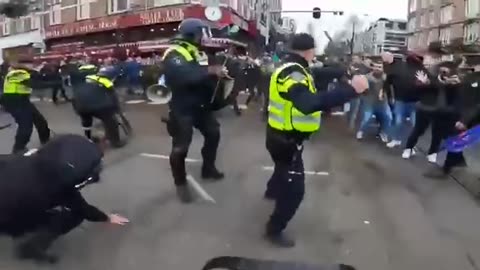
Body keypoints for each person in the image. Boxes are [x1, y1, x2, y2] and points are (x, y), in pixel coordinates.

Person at [264, 33, 368, 247]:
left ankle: (272, 190)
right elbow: (307, 103)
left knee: (281, 167)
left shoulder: (291, 67)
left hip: (280, 136)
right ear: (310, 51)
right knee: (295, 191)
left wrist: (345, 71)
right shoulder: (293, 73)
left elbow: (319, 72)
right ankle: (274, 229)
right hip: (286, 139)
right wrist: (351, 90)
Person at [0, 134, 129, 263]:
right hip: (7, 220)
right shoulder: (62, 187)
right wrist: (107, 217)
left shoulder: (20, 159)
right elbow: (84, 210)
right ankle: (32, 246)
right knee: (74, 216)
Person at [162, 18, 229, 203]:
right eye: (200, 34)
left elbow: (202, 73)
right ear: (192, 34)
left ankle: (208, 168)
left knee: (213, 133)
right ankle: (181, 184)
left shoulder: (196, 52)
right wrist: (210, 71)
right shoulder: (173, 52)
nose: (203, 38)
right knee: (181, 147)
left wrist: (218, 78)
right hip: (182, 107)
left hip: (200, 105)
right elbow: (184, 77)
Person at [402, 61, 461, 162]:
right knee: (418, 130)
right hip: (425, 109)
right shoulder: (430, 79)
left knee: (437, 134)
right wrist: (423, 83)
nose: (445, 73)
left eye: (447, 71)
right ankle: (408, 148)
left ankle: (432, 153)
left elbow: (457, 97)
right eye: (443, 71)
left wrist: (457, 85)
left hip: (441, 112)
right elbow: (425, 85)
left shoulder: (453, 83)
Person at [0, 59, 51, 154]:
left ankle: (46, 142)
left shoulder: (24, 72)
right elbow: (33, 83)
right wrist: (55, 83)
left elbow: (38, 78)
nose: (32, 64)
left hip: (22, 99)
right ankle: (18, 149)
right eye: (30, 63)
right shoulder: (16, 73)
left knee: (40, 121)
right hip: (14, 100)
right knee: (26, 126)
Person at [72, 66, 125, 148]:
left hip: (80, 106)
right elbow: (113, 96)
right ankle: (115, 142)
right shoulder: (105, 81)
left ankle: (88, 138)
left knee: (86, 120)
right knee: (110, 121)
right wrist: (116, 109)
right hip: (97, 105)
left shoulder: (83, 80)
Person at [356, 61, 392, 142]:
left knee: (388, 118)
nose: (377, 68)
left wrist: (389, 96)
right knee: (366, 118)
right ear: (372, 67)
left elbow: (391, 89)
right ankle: (361, 131)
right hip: (369, 103)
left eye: (379, 67)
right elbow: (361, 90)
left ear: (383, 68)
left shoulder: (387, 78)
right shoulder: (367, 77)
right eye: (375, 66)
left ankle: (383, 132)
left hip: (382, 103)